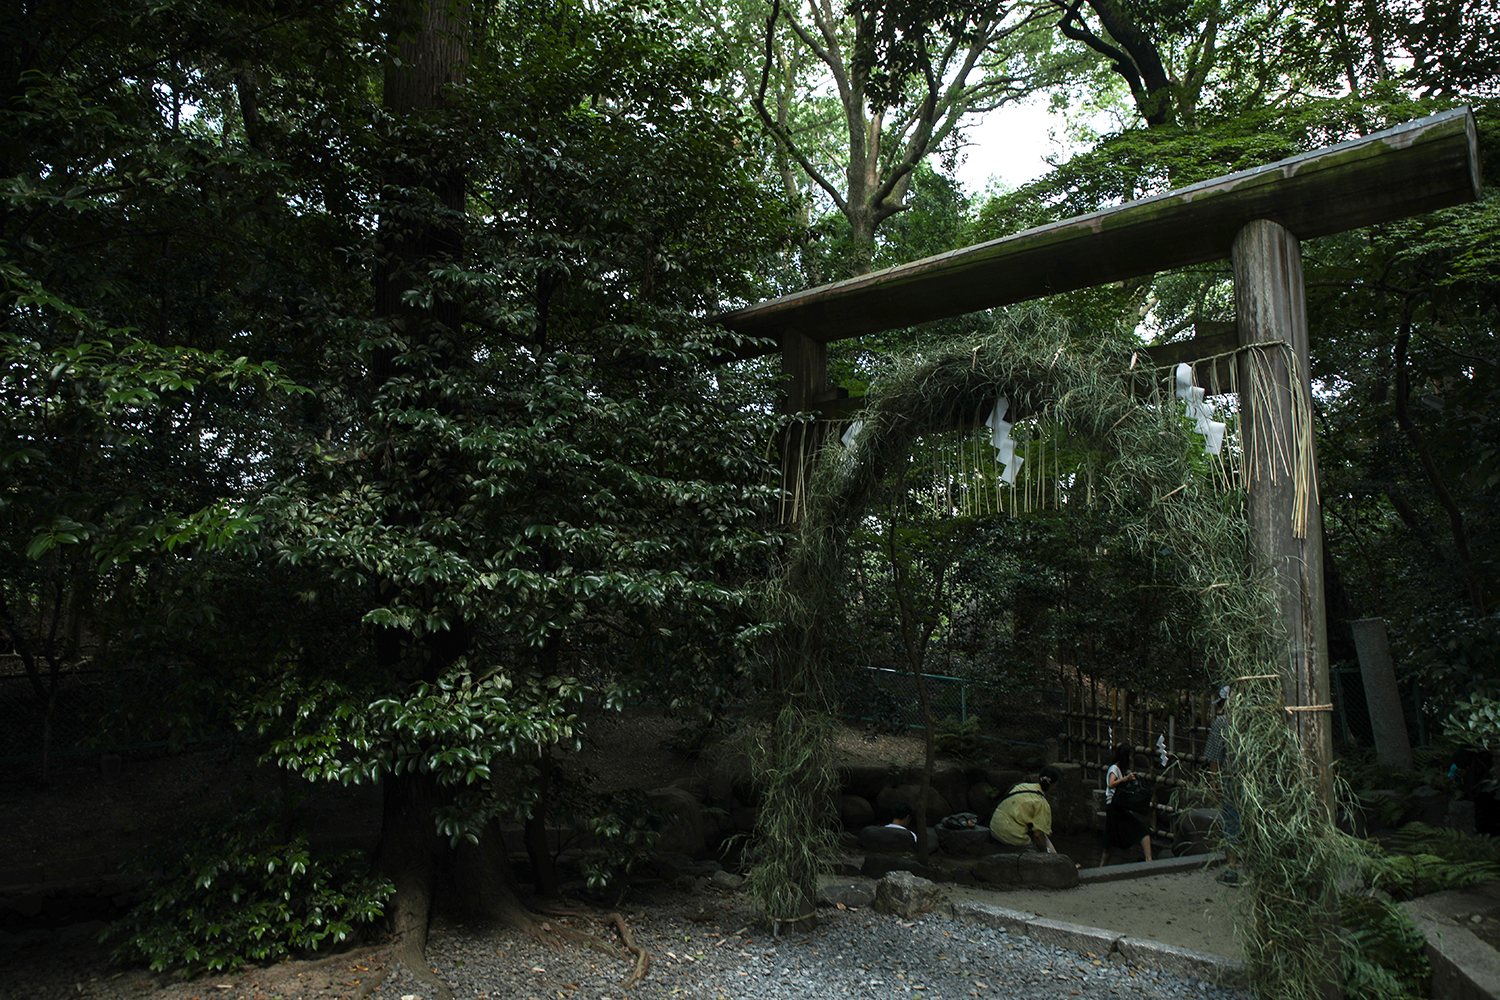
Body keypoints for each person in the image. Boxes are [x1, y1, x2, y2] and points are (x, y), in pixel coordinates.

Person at [1203, 685, 1241, 885]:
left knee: (1231, 824)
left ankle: (1232, 870)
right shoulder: (1251, 723)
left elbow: (1214, 757)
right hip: (1251, 780)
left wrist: (1214, 782)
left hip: (1231, 779)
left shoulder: (1222, 723)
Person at [1099, 744, 1154, 867]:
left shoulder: (1118, 769)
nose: (1130, 759)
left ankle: (1148, 860)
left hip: (1116, 808)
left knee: (1111, 842)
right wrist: (1125, 779)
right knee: (1111, 842)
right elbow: (1111, 783)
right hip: (1114, 808)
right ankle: (1149, 860)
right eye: (1129, 756)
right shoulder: (1114, 769)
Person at [989, 766, 1063, 853]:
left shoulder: (1021, 786)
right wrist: (1044, 853)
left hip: (994, 826)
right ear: (1054, 784)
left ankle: (1054, 854)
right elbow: (1038, 835)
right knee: (1039, 840)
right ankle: (1053, 858)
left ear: (1039, 778)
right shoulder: (1042, 803)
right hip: (1007, 834)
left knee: (1040, 833)